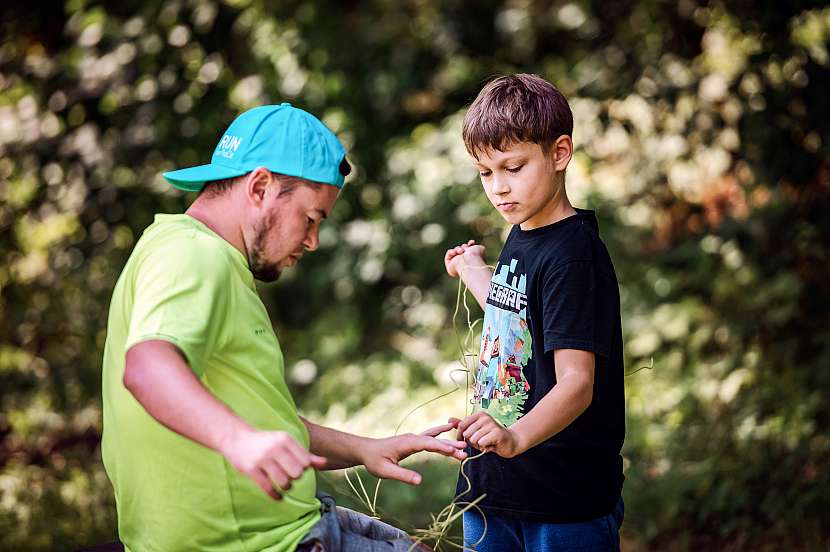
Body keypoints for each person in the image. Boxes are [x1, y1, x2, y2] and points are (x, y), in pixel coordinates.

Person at [101, 103, 466, 552]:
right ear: (259, 186)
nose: (312, 241)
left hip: (294, 523)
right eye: (310, 219)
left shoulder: (185, 249)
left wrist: (365, 449)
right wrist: (240, 442)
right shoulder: (195, 257)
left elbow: (260, 418)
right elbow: (147, 367)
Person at [443, 74, 626, 551]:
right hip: (492, 492)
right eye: (485, 172)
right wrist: (474, 270)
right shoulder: (523, 230)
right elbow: (517, 318)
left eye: (513, 167)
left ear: (560, 153)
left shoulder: (574, 254)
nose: (498, 187)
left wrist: (515, 438)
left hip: (560, 499)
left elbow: (576, 383)